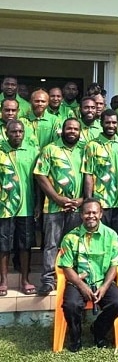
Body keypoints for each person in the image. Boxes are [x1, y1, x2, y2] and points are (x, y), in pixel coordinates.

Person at [58, 198, 118, 352]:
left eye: (95, 212)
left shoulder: (111, 235)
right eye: (87, 212)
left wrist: (105, 286)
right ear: (81, 215)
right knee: (71, 305)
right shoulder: (70, 237)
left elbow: (115, 264)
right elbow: (66, 267)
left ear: (100, 214)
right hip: (78, 281)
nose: (91, 216)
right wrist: (82, 286)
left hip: (103, 280)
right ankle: (75, 337)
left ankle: (98, 331)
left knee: (117, 303)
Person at [34, 118, 84, 296]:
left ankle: (75, 279)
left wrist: (82, 200)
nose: (72, 131)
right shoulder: (50, 149)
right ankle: (48, 280)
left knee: (75, 244)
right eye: (69, 128)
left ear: (80, 132)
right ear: (62, 130)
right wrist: (56, 198)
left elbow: (91, 176)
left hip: (77, 209)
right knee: (51, 244)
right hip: (54, 208)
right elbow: (41, 175)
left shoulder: (84, 150)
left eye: (75, 129)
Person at [82, 109, 118, 245]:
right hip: (101, 203)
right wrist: (89, 200)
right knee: (99, 239)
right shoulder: (92, 146)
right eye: (107, 122)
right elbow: (88, 174)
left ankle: (117, 267)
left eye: (114, 122)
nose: (111, 125)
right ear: (101, 123)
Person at [0, 120, 39, 297]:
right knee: (3, 245)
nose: (17, 135)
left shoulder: (32, 152)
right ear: (6, 133)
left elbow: (38, 180)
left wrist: (38, 203)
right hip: (4, 208)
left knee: (25, 246)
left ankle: (25, 279)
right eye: (13, 132)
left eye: (20, 132)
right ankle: (4, 281)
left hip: (27, 207)